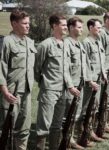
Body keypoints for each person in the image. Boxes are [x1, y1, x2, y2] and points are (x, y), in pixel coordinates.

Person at [0, 9, 36, 150]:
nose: (28, 26)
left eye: (29, 23)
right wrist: (4, 91)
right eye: (25, 23)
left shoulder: (30, 42)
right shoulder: (7, 42)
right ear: (14, 23)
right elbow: (1, 68)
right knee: (5, 128)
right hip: (9, 93)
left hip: (26, 92)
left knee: (24, 128)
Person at [34, 14, 68, 150]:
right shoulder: (45, 45)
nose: (66, 27)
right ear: (54, 26)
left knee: (57, 125)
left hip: (63, 90)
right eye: (63, 25)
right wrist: (44, 82)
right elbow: (36, 68)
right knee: (44, 126)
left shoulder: (65, 44)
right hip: (49, 90)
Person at [64, 16, 96, 149]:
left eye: (82, 27)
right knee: (67, 115)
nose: (82, 30)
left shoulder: (80, 44)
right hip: (70, 86)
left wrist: (89, 80)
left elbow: (85, 65)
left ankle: (72, 139)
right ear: (71, 27)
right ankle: (65, 140)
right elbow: (65, 67)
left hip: (80, 85)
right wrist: (70, 85)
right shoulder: (66, 44)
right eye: (79, 27)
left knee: (75, 114)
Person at [81, 18, 105, 142]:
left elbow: (100, 61)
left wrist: (104, 74)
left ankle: (90, 131)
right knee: (87, 108)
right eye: (98, 27)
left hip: (98, 80)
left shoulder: (98, 42)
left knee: (94, 107)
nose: (100, 30)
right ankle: (84, 134)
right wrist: (90, 80)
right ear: (90, 28)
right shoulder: (86, 42)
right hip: (91, 82)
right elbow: (85, 63)